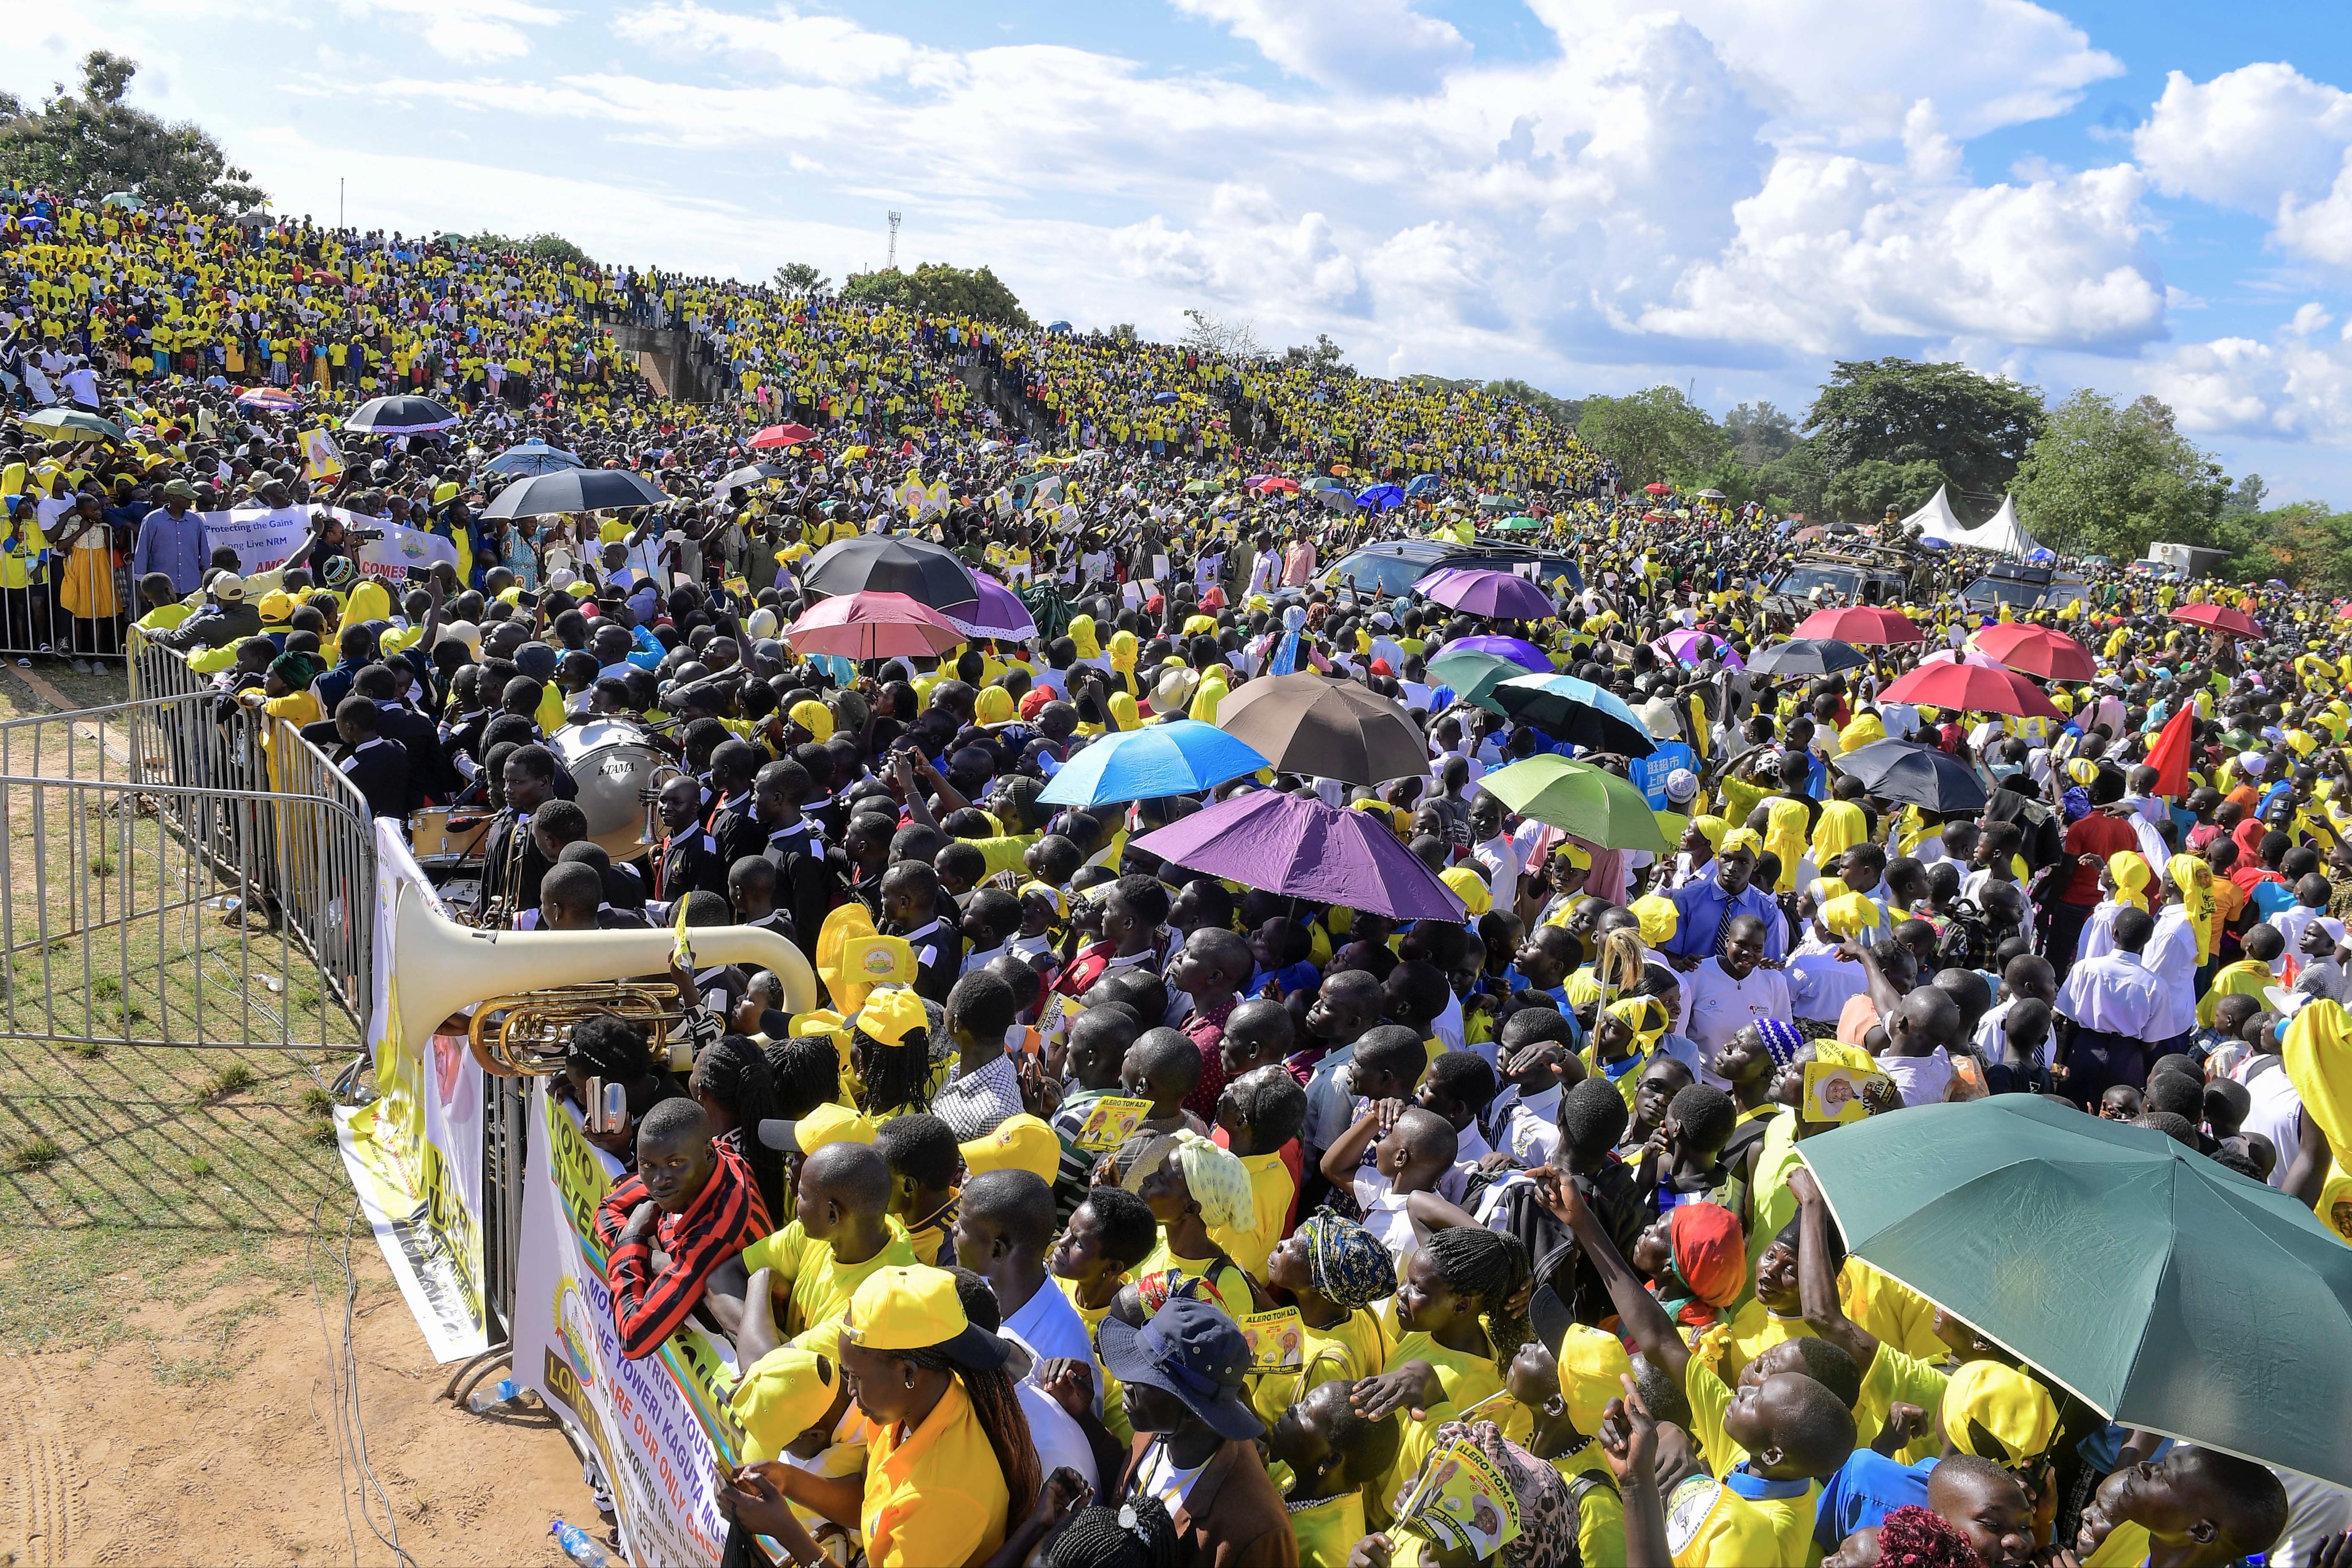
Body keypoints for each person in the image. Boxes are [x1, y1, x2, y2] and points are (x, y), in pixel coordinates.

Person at [1101, 1293, 1299, 1567]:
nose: (1126, 1381)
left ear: (1194, 1411)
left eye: (1146, 1375)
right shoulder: (1158, 1427)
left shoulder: (1257, 1533)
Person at [593, 1098, 770, 1361]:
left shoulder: (717, 1229)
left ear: (708, 1154)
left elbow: (633, 1337)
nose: (659, 1180)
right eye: (647, 1165)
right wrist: (645, 1253)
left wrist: (632, 1242)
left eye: (675, 1163)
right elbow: (608, 1208)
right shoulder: (700, 1164)